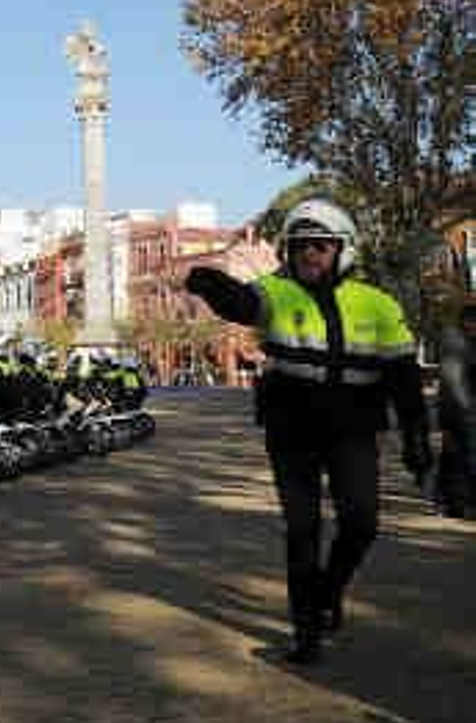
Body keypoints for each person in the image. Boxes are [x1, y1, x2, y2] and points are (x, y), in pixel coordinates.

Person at [186, 197, 430, 664]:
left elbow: (403, 377)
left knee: (362, 523)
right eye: (300, 248)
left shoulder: (377, 304)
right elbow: (243, 303)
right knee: (302, 529)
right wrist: (213, 285)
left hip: (353, 431)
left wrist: (416, 437)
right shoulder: (276, 293)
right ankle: (305, 632)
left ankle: (329, 590)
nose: (310, 256)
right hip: (291, 430)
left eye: (320, 246)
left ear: (343, 250)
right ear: (288, 253)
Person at [434, 300, 476, 517]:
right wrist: (466, 410)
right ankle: (460, 503)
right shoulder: (455, 341)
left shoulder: (465, 341)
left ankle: (447, 500)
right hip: (458, 409)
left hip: (459, 409)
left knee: (453, 455)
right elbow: (453, 380)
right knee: (464, 455)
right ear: (466, 321)